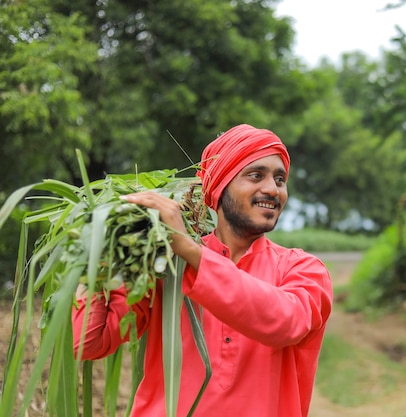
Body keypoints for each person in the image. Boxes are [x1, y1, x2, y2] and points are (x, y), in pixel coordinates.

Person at [72, 124, 333, 417]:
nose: (273, 189)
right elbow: (88, 343)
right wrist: (99, 258)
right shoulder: (165, 263)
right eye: (256, 175)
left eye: (280, 179)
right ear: (220, 186)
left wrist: (192, 252)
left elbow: (285, 321)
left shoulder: (303, 269)